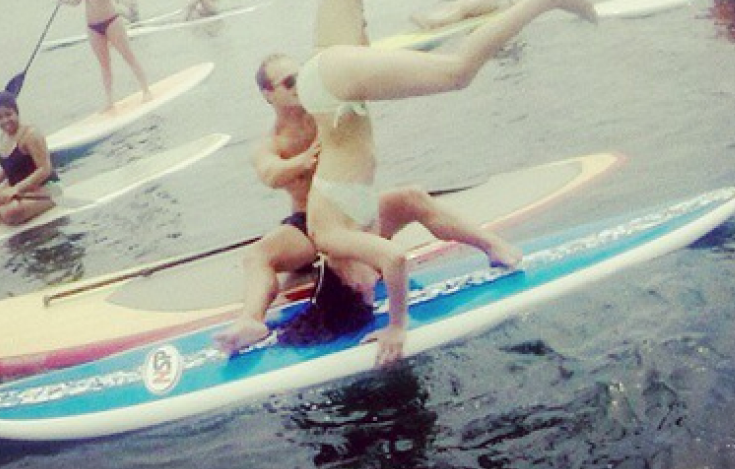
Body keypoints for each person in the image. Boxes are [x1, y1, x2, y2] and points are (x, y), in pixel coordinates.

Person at [175, 0, 596, 365]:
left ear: (349, 281)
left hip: (332, 87)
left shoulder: (332, 238)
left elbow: (394, 260)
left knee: (457, 72)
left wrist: (396, 326)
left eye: (364, 285)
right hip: (329, 84)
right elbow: (389, 239)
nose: (370, 278)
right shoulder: (355, 228)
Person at [213, 52, 522, 355]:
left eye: (303, 75)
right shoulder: (272, 143)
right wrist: (302, 162)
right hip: (311, 227)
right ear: (268, 94)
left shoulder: (328, 112)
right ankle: (251, 321)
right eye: (289, 81)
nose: (299, 84)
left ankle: (494, 246)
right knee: (257, 255)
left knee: (411, 197)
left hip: (355, 217)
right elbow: (270, 173)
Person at [62, 0, 152, 108]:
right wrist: (64, 1)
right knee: (104, 64)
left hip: (111, 20)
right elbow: (77, 1)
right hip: (93, 26)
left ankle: (146, 90)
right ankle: (110, 101)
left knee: (128, 56)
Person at [0, 91, 59, 234]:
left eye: (9, 114)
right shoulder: (3, 137)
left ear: (16, 112)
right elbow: (7, 169)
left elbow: (45, 169)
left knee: (13, 212)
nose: (5, 121)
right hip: (15, 188)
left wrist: (16, 189)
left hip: (44, 189)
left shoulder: (31, 135)